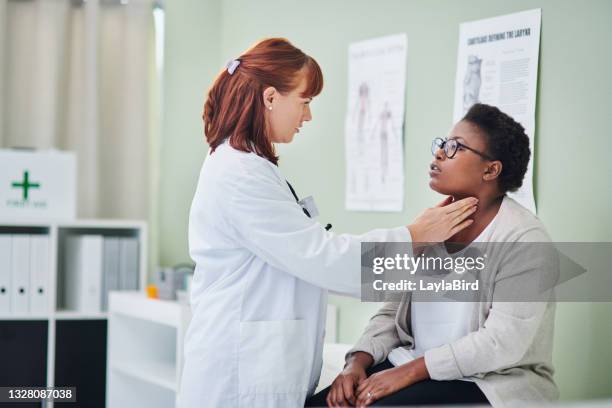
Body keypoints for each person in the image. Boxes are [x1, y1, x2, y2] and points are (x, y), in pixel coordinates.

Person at [177, 38, 478, 408]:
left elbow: (310, 256)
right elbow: (323, 260)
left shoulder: (249, 166)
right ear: (270, 97)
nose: (308, 116)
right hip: (239, 379)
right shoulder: (239, 174)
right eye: (305, 101)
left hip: (258, 366)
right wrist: (414, 236)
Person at [308, 103, 558, 407]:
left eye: (456, 148)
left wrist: (410, 372)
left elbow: (501, 343)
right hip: (418, 367)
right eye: (442, 144)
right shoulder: (431, 229)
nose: (439, 153)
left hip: (487, 381)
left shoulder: (524, 240)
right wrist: (356, 363)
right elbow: (391, 314)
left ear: (491, 170)